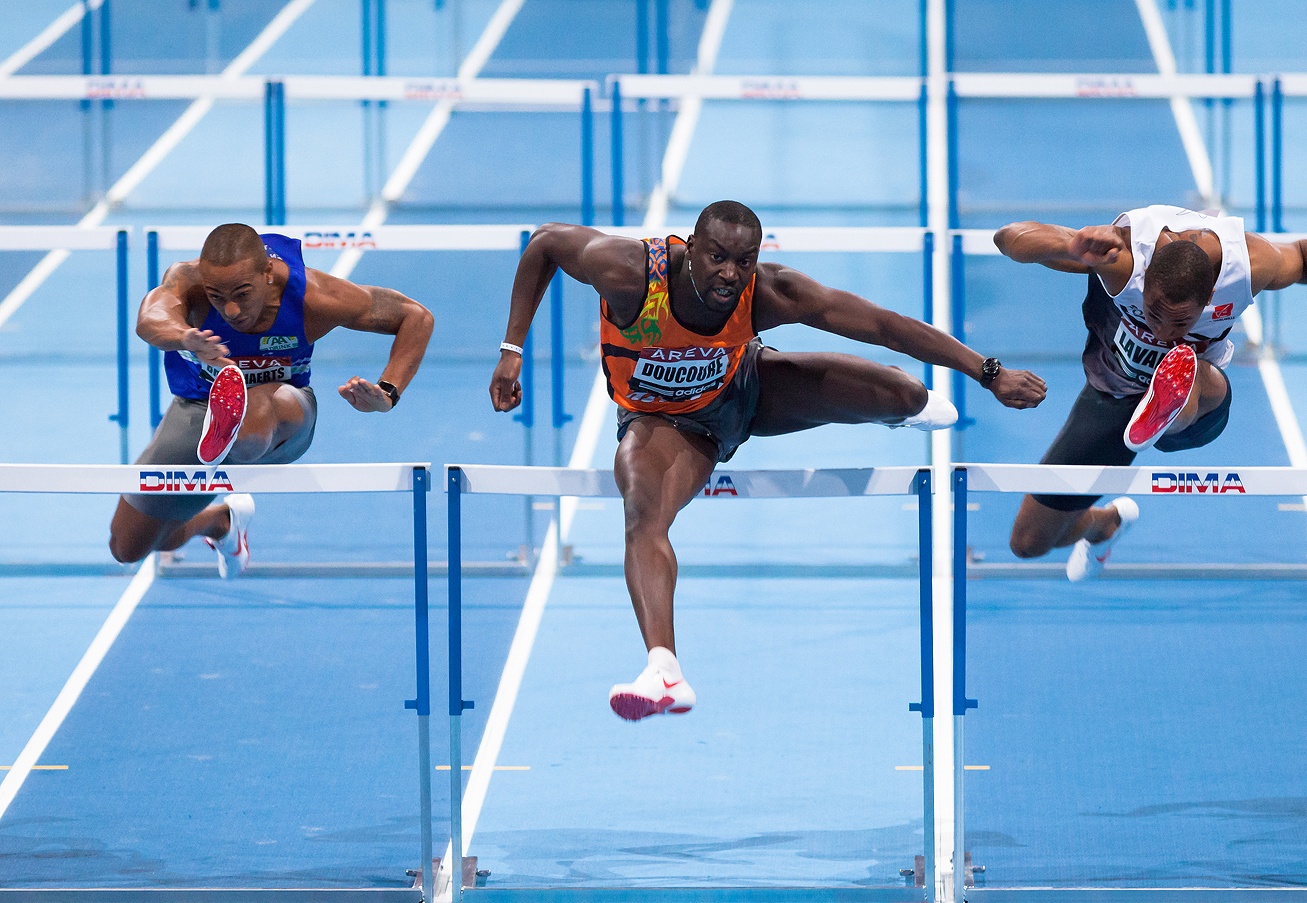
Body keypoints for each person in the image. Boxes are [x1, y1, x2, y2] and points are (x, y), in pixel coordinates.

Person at [490, 200, 1047, 721]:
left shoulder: (768, 291)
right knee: (643, 510)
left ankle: (903, 407)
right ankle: (664, 669)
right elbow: (545, 243)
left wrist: (988, 373)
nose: (730, 275)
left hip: (748, 388)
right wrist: (511, 352)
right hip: (669, 424)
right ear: (690, 247)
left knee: (902, 393)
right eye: (717, 257)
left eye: (744, 261)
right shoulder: (629, 273)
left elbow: (882, 324)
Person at [992, 204, 1307, 580]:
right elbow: (1008, 238)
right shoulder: (1120, 259)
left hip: (1201, 404)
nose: (1162, 332)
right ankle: (1104, 525)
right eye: (1152, 313)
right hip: (1113, 396)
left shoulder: (1249, 265)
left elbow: (1304, 260)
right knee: (1028, 543)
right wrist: (1071, 246)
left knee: (1191, 370)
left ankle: (1172, 406)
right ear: (1143, 282)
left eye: (1180, 322)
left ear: (1210, 296)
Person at [108, 223, 434, 577]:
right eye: (217, 296)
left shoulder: (314, 297)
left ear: (267, 273)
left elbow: (415, 316)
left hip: (285, 410)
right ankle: (220, 522)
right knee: (129, 547)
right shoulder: (188, 282)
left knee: (253, 424)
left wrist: (388, 393)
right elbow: (151, 317)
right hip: (199, 408)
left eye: (242, 294)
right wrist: (185, 337)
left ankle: (232, 429)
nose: (231, 310)